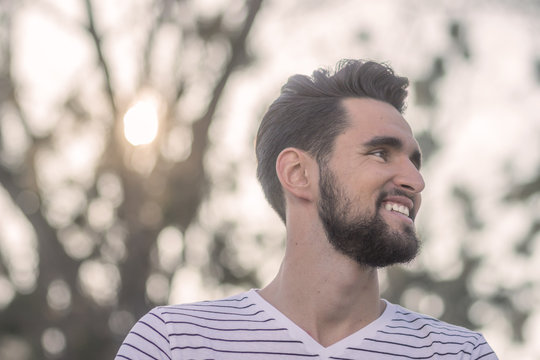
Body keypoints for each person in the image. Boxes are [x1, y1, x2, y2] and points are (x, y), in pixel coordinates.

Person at [115, 59, 498, 359]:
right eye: (381, 153)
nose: (416, 181)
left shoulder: (459, 353)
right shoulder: (175, 344)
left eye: (415, 162)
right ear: (298, 174)